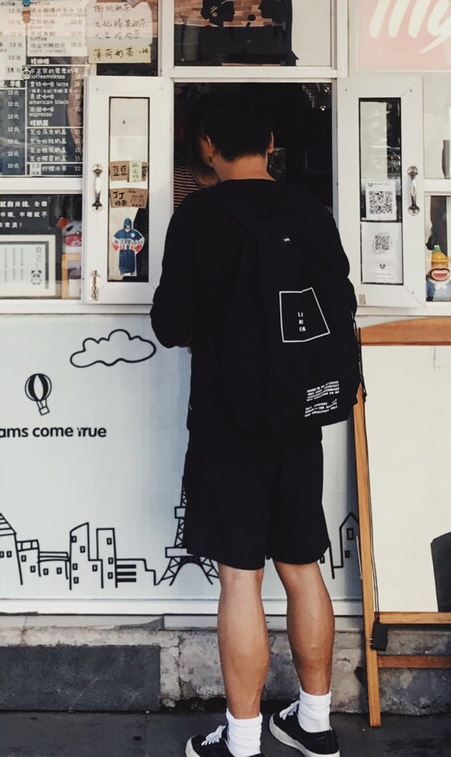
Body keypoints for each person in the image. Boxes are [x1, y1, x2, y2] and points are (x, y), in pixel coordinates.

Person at [151, 91, 349, 757]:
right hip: (300, 414)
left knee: (241, 576)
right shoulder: (311, 211)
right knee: (302, 565)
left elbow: (171, 324)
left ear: (207, 146)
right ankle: (314, 722)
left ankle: (241, 741)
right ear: (270, 144)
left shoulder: (196, 218)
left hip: (228, 419)